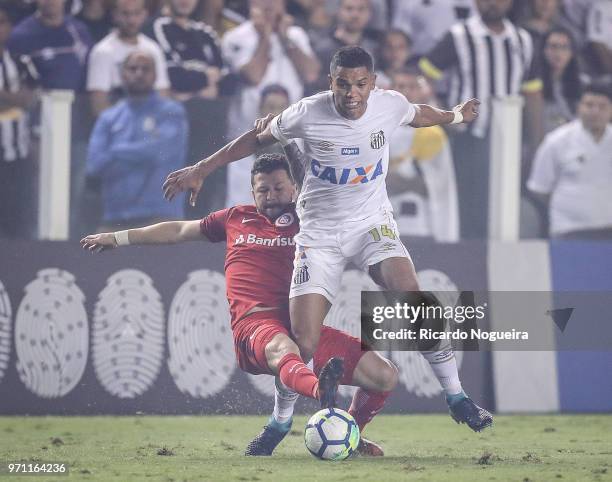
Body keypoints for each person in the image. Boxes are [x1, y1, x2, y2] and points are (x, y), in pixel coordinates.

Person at [163, 46, 493, 432]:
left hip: (372, 224)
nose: (351, 93)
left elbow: (419, 114)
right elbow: (257, 138)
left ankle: (456, 397)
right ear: (330, 82)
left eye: (360, 84)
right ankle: (279, 422)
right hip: (319, 232)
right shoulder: (307, 112)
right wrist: (203, 167)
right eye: (343, 84)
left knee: (413, 297)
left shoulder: (390, 105)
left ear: (372, 84)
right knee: (303, 339)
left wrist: (455, 115)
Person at [82, 153, 398, 456]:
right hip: (254, 328)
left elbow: (356, 233)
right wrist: (119, 238)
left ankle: (346, 433)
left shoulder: (311, 221)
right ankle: (320, 393)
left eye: (278, 188)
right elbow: (179, 230)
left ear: (294, 189)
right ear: (252, 191)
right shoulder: (235, 217)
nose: (271, 195)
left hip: (304, 327)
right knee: (285, 347)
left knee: (384, 375)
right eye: (263, 190)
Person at [419, 0, 544, 239]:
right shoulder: (459, 35)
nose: (492, 3)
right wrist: (442, 116)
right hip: (468, 138)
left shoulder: (522, 40)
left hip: (510, 141)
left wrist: (537, 143)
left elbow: (533, 93)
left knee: (505, 203)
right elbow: (425, 76)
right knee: (469, 202)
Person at [86, 50, 187, 230]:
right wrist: (141, 152)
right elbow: (94, 165)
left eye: (145, 69)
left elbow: (160, 153)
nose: (138, 73)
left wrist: (116, 151)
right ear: (122, 74)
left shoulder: (172, 112)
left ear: (155, 75)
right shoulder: (108, 118)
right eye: (132, 69)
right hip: (115, 216)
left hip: (160, 214)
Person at [221, 0, 320, 139]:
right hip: (246, 136)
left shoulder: (296, 35)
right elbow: (253, 75)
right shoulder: (235, 36)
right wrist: (265, 37)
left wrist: (285, 38)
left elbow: (311, 74)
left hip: (289, 135)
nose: (269, 5)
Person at [527, 82, 612, 239]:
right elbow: (540, 188)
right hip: (567, 230)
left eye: (602, 106)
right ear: (579, 107)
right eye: (589, 105)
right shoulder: (556, 142)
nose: (595, 111)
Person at [387, 69, 459, 242]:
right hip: (380, 225)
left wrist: (393, 180)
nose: (406, 92)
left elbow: (438, 185)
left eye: (412, 87)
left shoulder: (432, 134)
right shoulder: (373, 128)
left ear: (422, 92)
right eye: (400, 87)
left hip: (420, 224)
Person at [87, 0, 170, 117]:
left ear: (144, 14)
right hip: (117, 126)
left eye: (136, 13)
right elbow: (99, 105)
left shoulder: (154, 49)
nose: (131, 20)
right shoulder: (102, 51)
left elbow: (163, 94)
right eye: (125, 14)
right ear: (115, 15)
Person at [0, 4, 37, 238]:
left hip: (15, 154)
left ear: (9, 28)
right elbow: (18, 99)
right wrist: (10, 98)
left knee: (15, 215)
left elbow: (27, 98)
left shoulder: (20, 60)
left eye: (1, 22)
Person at [226, 83, 291, 207]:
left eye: (282, 108)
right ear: (261, 108)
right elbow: (238, 199)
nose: (276, 114)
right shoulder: (244, 149)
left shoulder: (297, 148)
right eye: (271, 107)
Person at [145, 0, 224, 101]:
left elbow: (228, 77)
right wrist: (206, 79)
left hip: (209, 111)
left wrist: (192, 93)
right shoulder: (154, 28)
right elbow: (172, 76)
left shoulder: (206, 33)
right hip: (171, 111)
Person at [7, 0, 92, 91]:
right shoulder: (20, 36)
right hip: (41, 101)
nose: (50, 1)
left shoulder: (80, 30)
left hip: (80, 101)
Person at [309, 0, 379, 93]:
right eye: (349, 9)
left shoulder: (375, 47)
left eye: (361, 9)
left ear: (370, 13)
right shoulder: (321, 46)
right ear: (338, 11)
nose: (355, 14)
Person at [540, 27, 582, 135]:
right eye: (553, 47)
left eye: (564, 47)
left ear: (572, 53)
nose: (558, 53)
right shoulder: (535, 86)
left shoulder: (583, 84)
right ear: (543, 50)